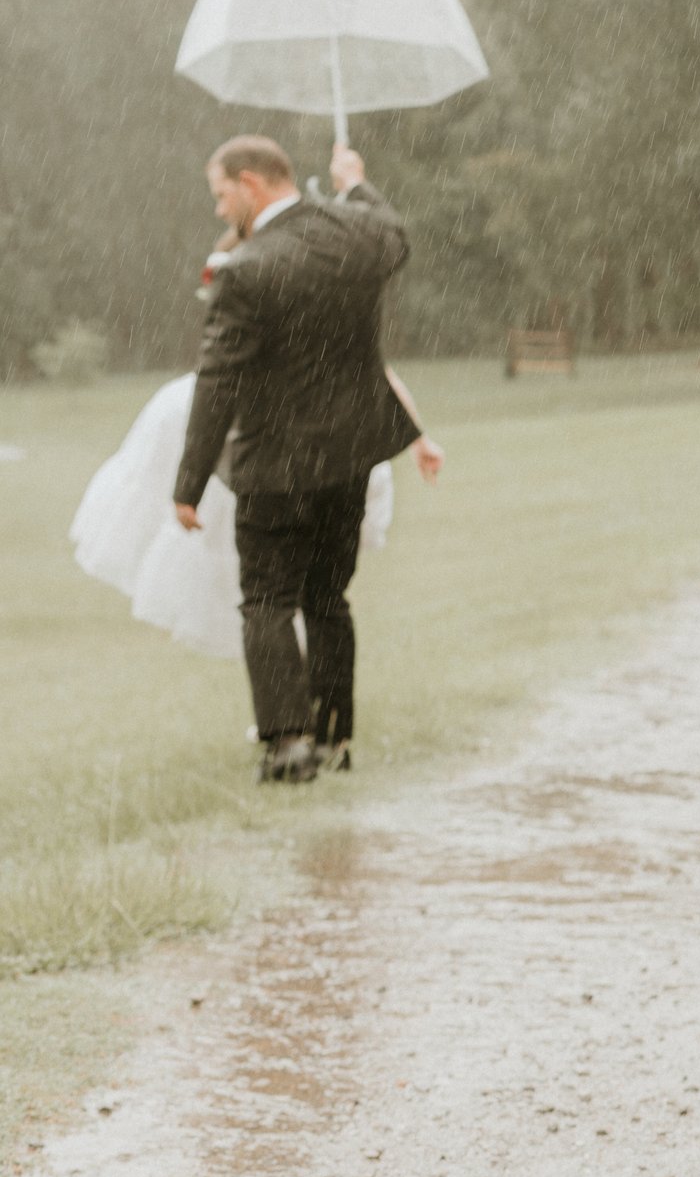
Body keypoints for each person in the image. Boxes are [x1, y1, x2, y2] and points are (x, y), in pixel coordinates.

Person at [176, 135, 429, 783]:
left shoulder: (248, 268)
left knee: (265, 598)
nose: (219, 207)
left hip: (276, 464)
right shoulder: (360, 236)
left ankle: (289, 743)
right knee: (328, 597)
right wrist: (355, 182)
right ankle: (335, 738)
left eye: (222, 193)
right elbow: (396, 232)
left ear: (253, 184)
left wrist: (190, 482)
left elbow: (218, 380)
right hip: (351, 456)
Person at [69, 232, 441, 665]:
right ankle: (292, 710)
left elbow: (372, 371)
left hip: (297, 448)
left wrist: (417, 437)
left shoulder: (306, 300)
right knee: (269, 584)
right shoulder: (259, 297)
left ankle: (300, 709)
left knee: (298, 587)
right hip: (258, 442)